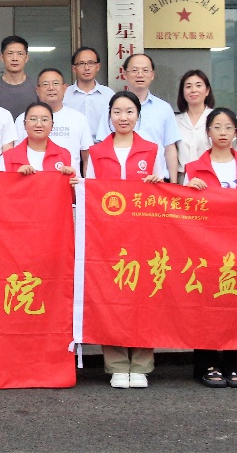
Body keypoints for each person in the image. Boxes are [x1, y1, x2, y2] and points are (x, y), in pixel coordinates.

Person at [86, 91, 165, 389]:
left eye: (129, 111)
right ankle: (117, 364)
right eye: (117, 112)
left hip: (145, 234)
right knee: (112, 296)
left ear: (138, 116)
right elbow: (90, 191)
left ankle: (142, 364)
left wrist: (157, 184)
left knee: (144, 297)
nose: (123, 117)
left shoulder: (152, 150)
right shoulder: (97, 152)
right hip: (107, 236)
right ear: (109, 116)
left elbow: (163, 192)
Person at [183, 107, 237, 389]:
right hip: (205, 246)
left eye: (228, 127)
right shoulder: (193, 169)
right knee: (205, 305)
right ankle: (207, 364)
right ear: (208, 132)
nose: (223, 132)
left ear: (235, 132)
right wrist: (189, 191)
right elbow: (181, 209)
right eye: (217, 127)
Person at [95, 54, 179, 181]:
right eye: (134, 70)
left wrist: (173, 184)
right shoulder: (111, 108)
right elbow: (103, 144)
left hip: (157, 180)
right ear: (125, 74)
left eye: (145, 70)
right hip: (118, 180)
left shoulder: (164, 108)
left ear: (152, 75)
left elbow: (170, 148)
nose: (140, 75)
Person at [12, 68, 91, 173]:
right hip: (28, 180)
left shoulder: (79, 119)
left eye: (56, 83)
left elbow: (87, 159)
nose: (51, 88)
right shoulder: (23, 119)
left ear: (65, 88)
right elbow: (15, 155)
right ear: (37, 90)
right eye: (45, 84)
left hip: (68, 179)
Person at [3, 103, 80, 186]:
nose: (39, 124)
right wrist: (15, 178)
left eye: (44, 120)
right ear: (24, 124)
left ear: (52, 125)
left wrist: (74, 183)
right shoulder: (7, 158)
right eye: (33, 119)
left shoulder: (66, 156)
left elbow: (80, 190)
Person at [64, 47, 114, 142]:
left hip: (102, 146)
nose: (86, 68)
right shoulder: (65, 94)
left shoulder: (109, 95)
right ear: (74, 68)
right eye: (81, 64)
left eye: (91, 63)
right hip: (72, 146)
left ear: (97, 66)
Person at [174, 70, 215, 183]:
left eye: (198, 85)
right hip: (183, 180)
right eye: (188, 86)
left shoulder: (217, 118)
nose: (193, 90)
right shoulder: (175, 121)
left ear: (207, 91)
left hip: (211, 178)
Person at [0, 35, 38, 119]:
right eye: (10, 53)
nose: (15, 58)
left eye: (20, 54)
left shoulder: (37, 87)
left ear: (26, 58)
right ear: (2, 57)